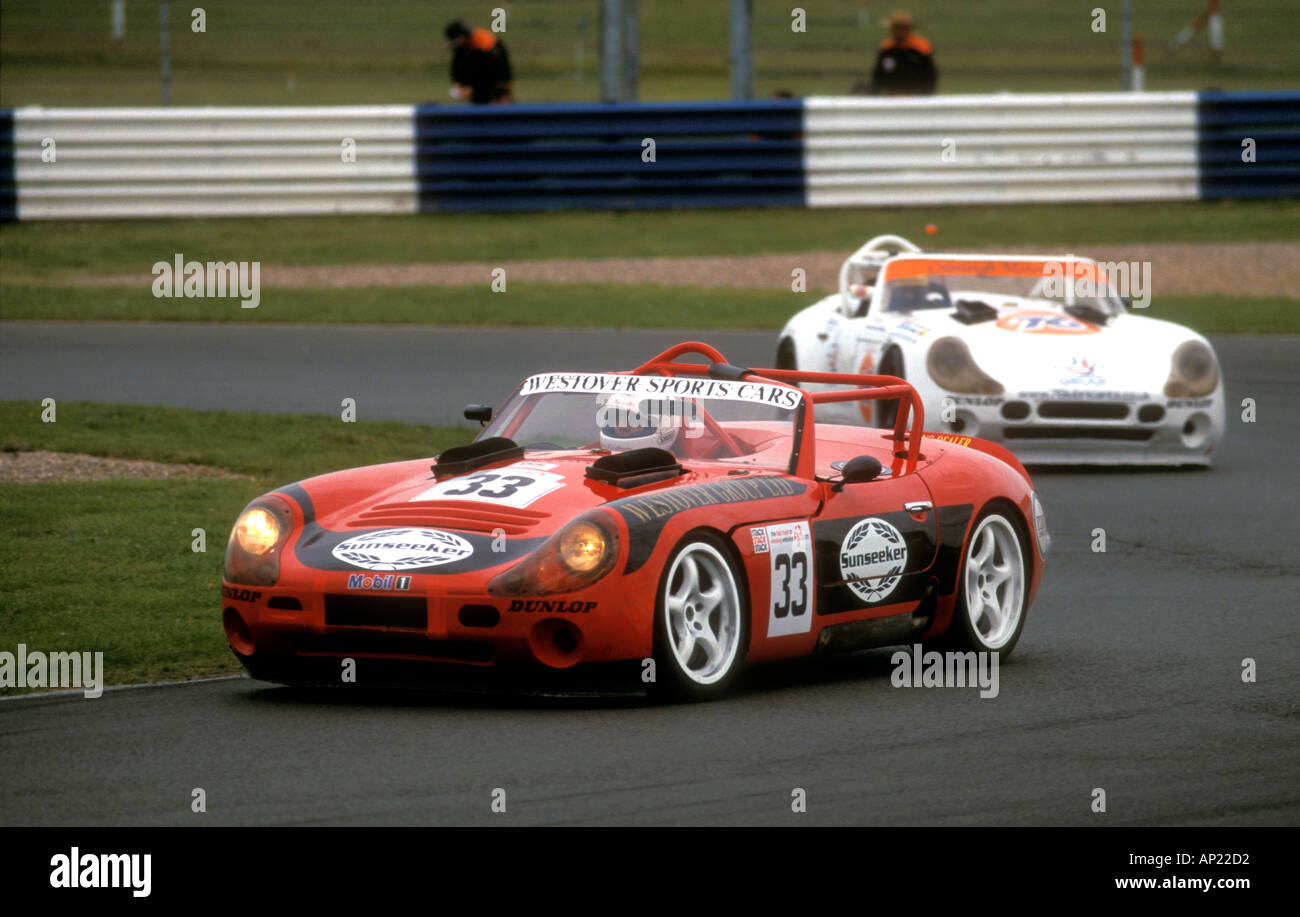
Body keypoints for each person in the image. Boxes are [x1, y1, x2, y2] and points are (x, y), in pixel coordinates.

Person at [445, 19, 513, 104]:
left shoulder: (484, 43)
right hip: (479, 87)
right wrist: (459, 83)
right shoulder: (462, 48)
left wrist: (472, 87)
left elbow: (496, 68)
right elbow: (458, 67)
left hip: (496, 83)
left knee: (499, 109)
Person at [869, 10, 937, 96]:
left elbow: (930, 77)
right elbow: (878, 77)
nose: (897, 32)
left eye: (901, 28)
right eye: (895, 28)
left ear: (907, 29)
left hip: (917, 98)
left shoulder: (921, 47)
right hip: (892, 98)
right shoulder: (886, 48)